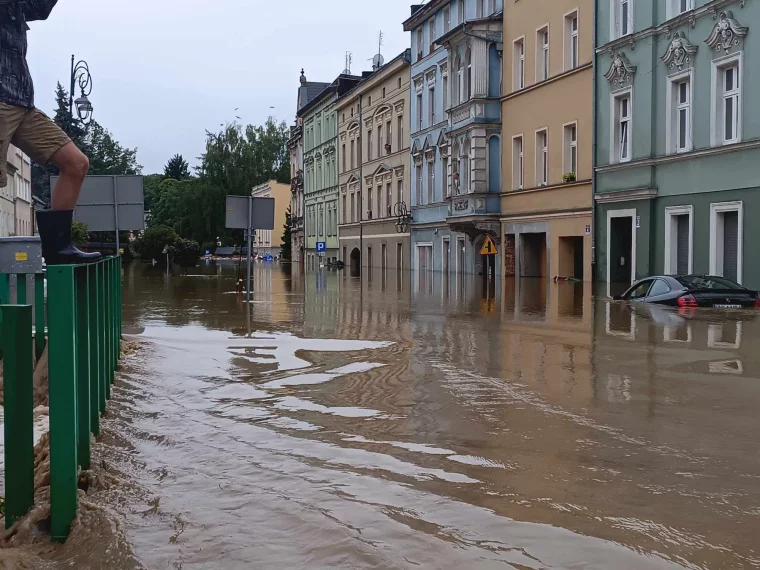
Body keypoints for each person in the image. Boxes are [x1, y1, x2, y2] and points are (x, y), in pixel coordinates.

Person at [0, 0, 100, 264]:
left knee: (76, 163)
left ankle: (58, 249)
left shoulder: (19, 7)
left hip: (22, 103)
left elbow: (41, 8)